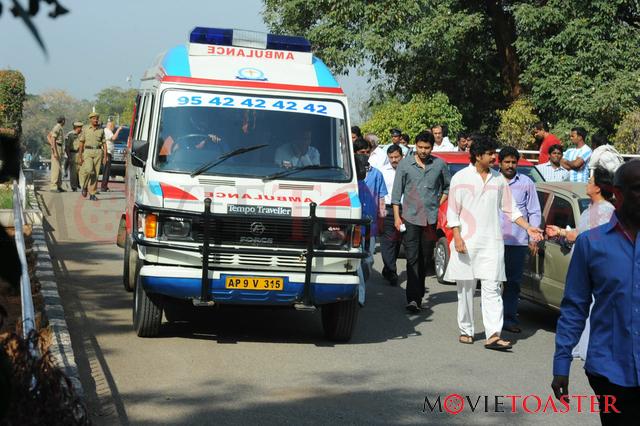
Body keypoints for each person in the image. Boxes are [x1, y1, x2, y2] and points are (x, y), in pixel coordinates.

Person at [552, 161, 640, 425]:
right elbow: (574, 307)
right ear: (618, 192)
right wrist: (561, 364)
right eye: (639, 189)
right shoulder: (592, 243)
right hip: (610, 373)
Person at [444, 135, 543, 350]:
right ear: (478, 156)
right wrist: (457, 237)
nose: (494, 158)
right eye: (490, 154)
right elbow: (453, 211)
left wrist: (528, 227)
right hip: (466, 242)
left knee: (492, 289)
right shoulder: (460, 178)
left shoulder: (498, 180)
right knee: (466, 288)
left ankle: (493, 334)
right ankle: (466, 330)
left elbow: (511, 209)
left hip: (492, 243)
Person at [391, 131, 451, 313]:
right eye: (420, 147)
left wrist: (437, 203)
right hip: (409, 217)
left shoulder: (439, 164)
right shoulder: (404, 164)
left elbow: (448, 187)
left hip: (430, 219)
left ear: (432, 148)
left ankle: (418, 294)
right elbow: (396, 194)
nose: (423, 151)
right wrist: (396, 217)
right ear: (415, 146)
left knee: (425, 258)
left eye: (427, 148)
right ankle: (413, 299)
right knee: (412, 258)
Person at [498, 146, 542, 334]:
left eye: (513, 162)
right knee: (492, 282)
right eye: (506, 162)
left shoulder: (526, 182)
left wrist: (533, 237)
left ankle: (509, 319)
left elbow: (534, 211)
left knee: (513, 283)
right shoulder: (492, 181)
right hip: (495, 241)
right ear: (499, 163)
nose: (510, 165)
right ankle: (492, 321)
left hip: (517, 241)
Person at [353, 138, 388, 277]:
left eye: (368, 152)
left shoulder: (377, 174)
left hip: (371, 224)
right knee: (355, 259)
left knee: (368, 260)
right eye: (362, 152)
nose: (365, 155)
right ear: (355, 153)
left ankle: (362, 284)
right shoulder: (350, 175)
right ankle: (359, 292)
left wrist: (381, 220)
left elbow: (381, 198)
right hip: (354, 223)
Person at [354, 154, 377, 306]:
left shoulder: (364, 185)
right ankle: (359, 297)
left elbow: (372, 209)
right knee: (357, 266)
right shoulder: (349, 185)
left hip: (367, 231)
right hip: (354, 232)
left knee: (367, 262)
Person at [379, 144, 404, 286]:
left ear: (402, 156)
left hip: (403, 209)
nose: (394, 160)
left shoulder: (407, 170)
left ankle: (388, 268)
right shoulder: (382, 171)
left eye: (396, 157)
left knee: (397, 241)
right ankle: (392, 271)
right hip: (387, 209)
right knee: (387, 240)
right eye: (391, 157)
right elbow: (379, 193)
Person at [78, 112, 106, 201]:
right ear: (90, 119)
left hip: (98, 151)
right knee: (89, 170)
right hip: (87, 151)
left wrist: (105, 156)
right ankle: (85, 186)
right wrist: (80, 156)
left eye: (97, 118)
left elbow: (104, 144)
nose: (96, 120)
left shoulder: (101, 130)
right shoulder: (86, 129)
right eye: (94, 118)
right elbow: (81, 143)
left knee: (96, 174)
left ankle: (92, 193)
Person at [101, 120, 123, 192]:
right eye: (113, 127)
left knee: (106, 170)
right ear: (111, 126)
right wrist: (118, 130)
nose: (113, 129)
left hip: (107, 152)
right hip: (107, 152)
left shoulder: (105, 131)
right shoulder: (108, 131)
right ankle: (104, 187)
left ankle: (104, 186)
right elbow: (113, 138)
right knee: (106, 171)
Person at [47, 116, 66, 192]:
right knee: (55, 168)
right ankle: (53, 187)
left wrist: (51, 144)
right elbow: (53, 138)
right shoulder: (57, 128)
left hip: (60, 147)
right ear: (63, 121)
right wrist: (54, 150)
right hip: (57, 147)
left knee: (59, 168)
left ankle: (59, 185)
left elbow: (48, 136)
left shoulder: (59, 128)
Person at [64, 121, 83, 192]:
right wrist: (69, 157)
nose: (80, 129)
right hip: (73, 154)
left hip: (80, 153)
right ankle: (74, 186)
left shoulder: (82, 134)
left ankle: (79, 184)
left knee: (79, 170)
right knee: (73, 171)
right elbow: (67, 147)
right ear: (76, 128)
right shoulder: (70, 135)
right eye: (79, 128)